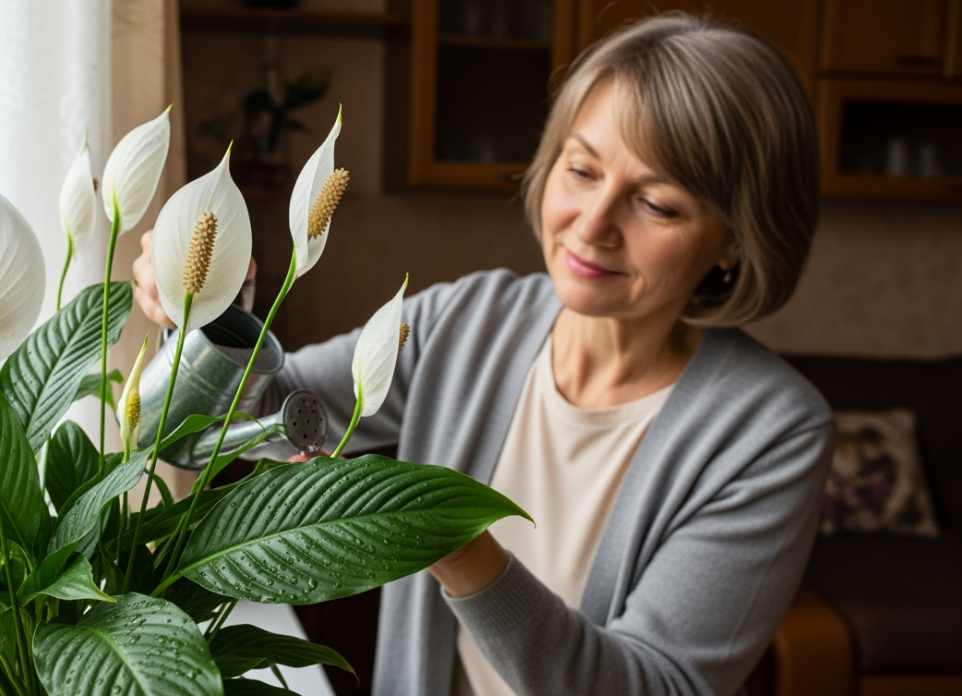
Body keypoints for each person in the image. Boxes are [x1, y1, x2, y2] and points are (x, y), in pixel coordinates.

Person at [132, 13, 833, 696]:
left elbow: (658, 685)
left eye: (656, 204)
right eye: (582, 170)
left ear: (737, 238)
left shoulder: (771, 432)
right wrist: (214, 312)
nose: (593, 226)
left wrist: (447, 538)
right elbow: (256, 418)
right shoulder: (471, 320)